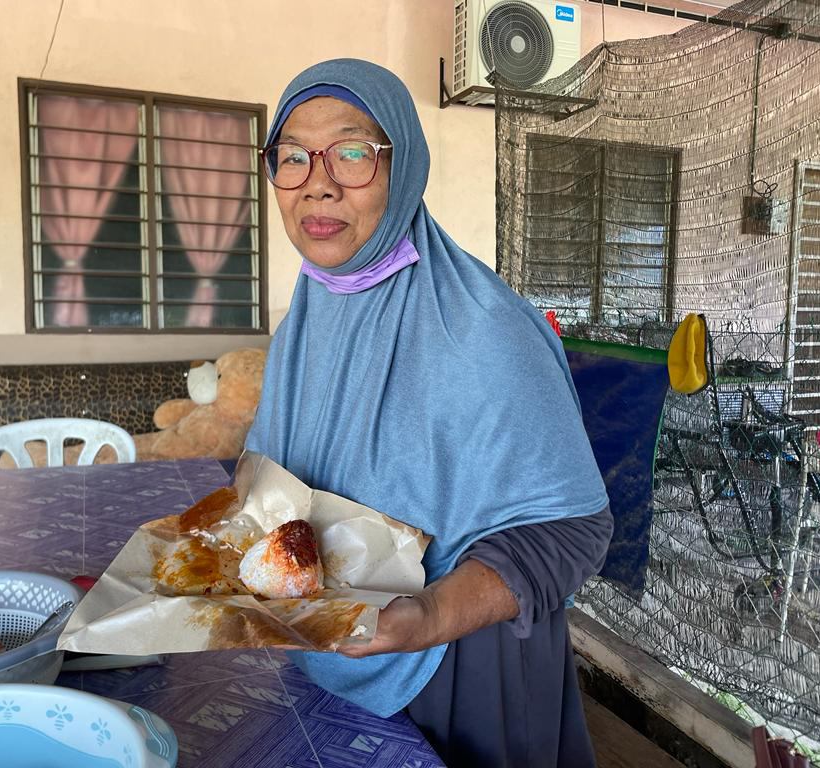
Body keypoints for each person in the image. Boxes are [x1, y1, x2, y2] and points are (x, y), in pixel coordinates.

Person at [244, 58, 613, 768]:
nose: (317, 181)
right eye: (292, 155)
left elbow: (573, 530)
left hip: (458, 670)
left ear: (403, 165)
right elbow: (272, 480)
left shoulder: (482, 328)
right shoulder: (304, 325)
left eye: (352, 153)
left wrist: (432, 615)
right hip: (324, 652)